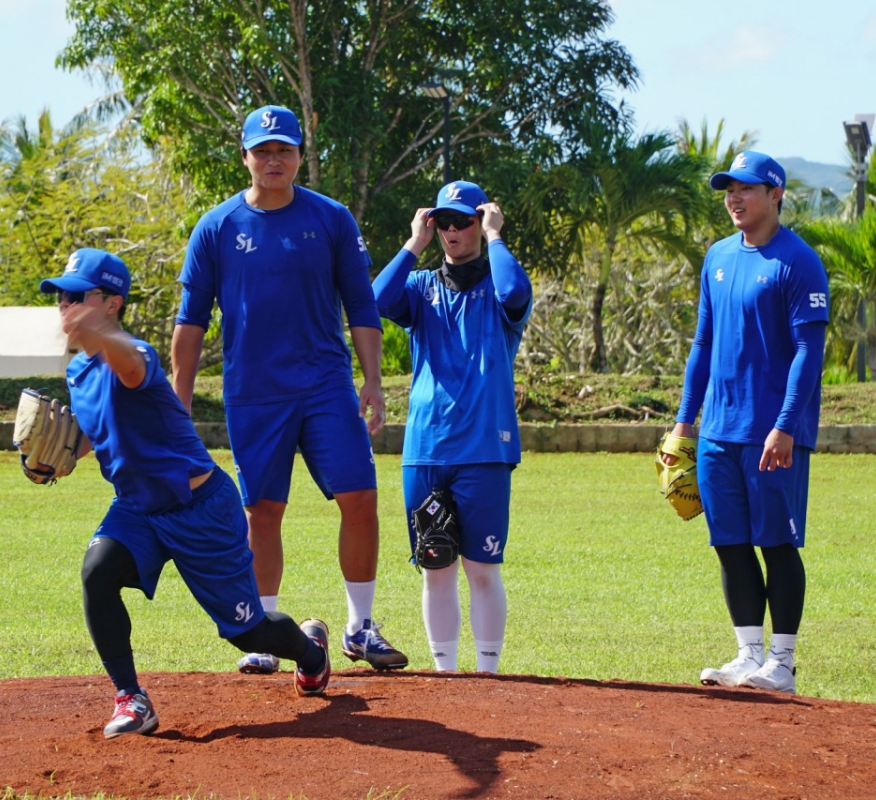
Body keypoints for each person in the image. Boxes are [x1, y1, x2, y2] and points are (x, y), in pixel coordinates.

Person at [39, 248, 331, 739]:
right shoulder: (77, 372)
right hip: (137, 507)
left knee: (247, 632)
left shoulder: (136, 354)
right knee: (97, 572)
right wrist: (59, 455)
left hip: (201, 509)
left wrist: (101, 334)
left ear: (112, 303)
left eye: (75, 295)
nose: (64, 305)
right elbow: (93, 433)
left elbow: (129, 368)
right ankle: (132, 699)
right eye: (59, 297)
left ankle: (310, 652)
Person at [172, 105, 407, 674]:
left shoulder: (330, 219)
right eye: (263, 150)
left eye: (284, 149)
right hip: (253, 392)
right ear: (245, 156)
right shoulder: (217, 227)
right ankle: (263, 633)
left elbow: (361, 304)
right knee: (262, 512)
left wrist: (372, 380)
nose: (274, 159)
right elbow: (191, 321)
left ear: (300, 156)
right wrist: (177, 402)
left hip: (325, 386)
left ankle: (360, 628)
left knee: (361, 498)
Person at [669, 151, 828, 695]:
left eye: (747, 188)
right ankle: (748, 653)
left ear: (775, 194)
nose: (735, 198)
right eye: (729, 189)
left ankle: (782, 662)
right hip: (718, 430)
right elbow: (703, 344)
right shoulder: (717, 256)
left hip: (772, 434)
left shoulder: (797, 261)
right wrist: (683, 423)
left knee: (777, 544)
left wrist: (786, 425)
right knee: (729, 542)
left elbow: (810, 351)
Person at [372, 181, 531, 672]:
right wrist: (413, 243)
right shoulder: (421, 288)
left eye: (463, 220)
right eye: (444, 221)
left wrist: (495, 236)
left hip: (484, 447)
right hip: (426, 446)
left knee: (482, 568)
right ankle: (445, 672)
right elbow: (375, 300)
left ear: (480, 222)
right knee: (433, 564)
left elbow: (514, 291)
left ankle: (487, 672)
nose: (453, 230)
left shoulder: (498, 291)